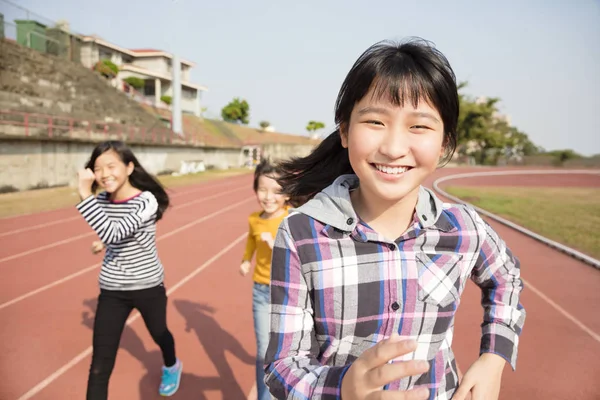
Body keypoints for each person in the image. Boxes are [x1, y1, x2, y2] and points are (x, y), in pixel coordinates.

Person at [264, 37, 526, 400]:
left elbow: (507, 278)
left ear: (445, 143)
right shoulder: (302, 233)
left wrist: (494, 357)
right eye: (375, 121)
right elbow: (282, 366)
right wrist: (342, 389)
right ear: (344, 131)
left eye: (418, 126)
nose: (392, 147)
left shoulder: (463, 227)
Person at [76, 140, 183, 399]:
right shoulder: (101, 199)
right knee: (99, 366)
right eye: (97, 168)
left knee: (160, 333)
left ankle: (171, 365)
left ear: (129, 167)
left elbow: (114, 231)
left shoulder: (146, 201)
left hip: (147, 285)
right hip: (112, 290)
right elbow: (109, 230)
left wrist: (83, 192)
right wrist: (101, 241)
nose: (104, 174)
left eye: (111, 166)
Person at [240, 158, 291, 400]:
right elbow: (251, 241)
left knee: (289, 352)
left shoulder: (293, 219)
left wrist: (277, 246)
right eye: (262, 189)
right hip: (261, 291)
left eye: (276, 191)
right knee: (263, 352)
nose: (268, 197)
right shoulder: (254, 219)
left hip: (289, 293)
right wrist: (246, 260)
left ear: (287, 194)